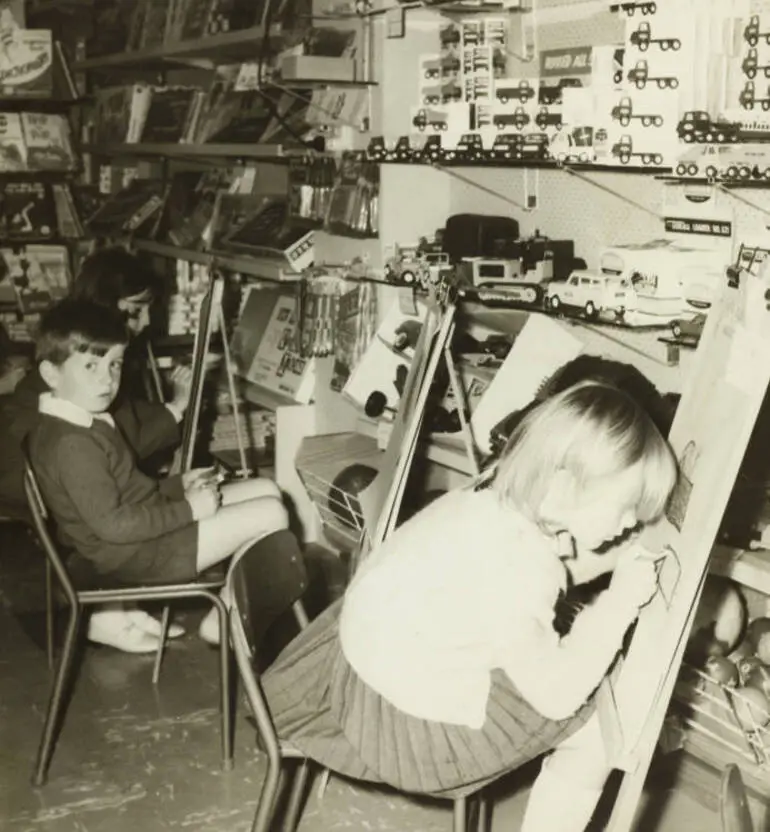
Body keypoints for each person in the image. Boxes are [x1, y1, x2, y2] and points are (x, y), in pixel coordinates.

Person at [258, 381, 678, 832]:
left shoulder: (494, 494)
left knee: (573, 670)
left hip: (360, 664)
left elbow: (560, 568)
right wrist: (618, 603)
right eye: (628, 506)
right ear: (564, 488)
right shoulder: (519, 566)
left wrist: (622, 553)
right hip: (403, 727)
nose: (633, 521)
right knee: (596, 731)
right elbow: (557, 696)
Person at [27, 298, 289, 653]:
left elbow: (126, 493)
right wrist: (190, 509)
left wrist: (180, 485)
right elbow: (114, 524)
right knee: (271, 513)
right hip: (134, 555)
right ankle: (225, 614)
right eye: (91, 365)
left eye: (115, 364)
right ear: (51, 374)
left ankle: (231, 597)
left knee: (267, 488)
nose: (107, 379)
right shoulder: (73, 443)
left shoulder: (79, 420)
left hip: (136, 540)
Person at [0, 248, 197, 651]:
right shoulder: (76, 357)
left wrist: (171, 409)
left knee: (122, 494)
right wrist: (176, 409)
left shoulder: (86, 351)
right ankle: (106, 615)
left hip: (55, 471)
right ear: (107, 303)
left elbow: (120, 425)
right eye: (135, 310)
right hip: (30, 476)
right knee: (117, 507)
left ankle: (122, 608)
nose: (143, 323)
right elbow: (118, 443)